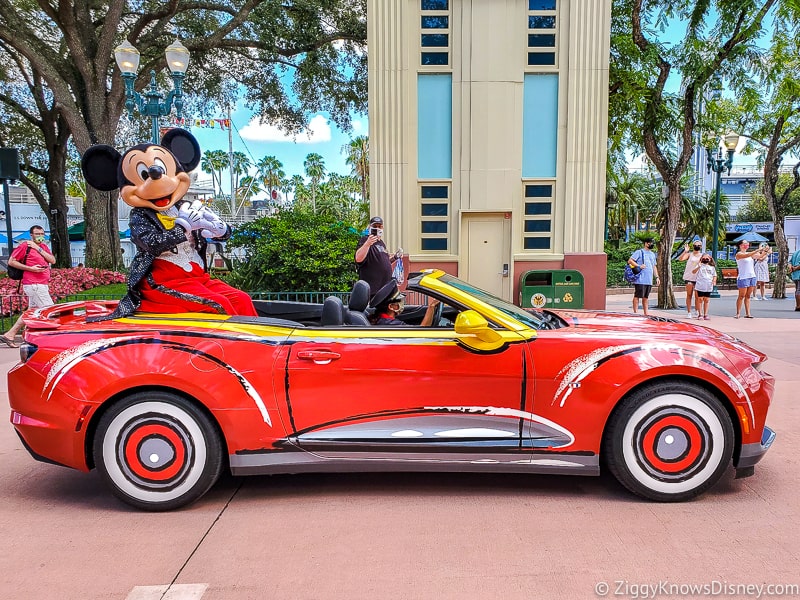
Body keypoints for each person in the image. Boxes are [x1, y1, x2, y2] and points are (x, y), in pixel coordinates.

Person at [2, 225, 56, 347]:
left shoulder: (42, 247)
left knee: (31, 312)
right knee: (51, 312)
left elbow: (52, 260)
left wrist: (38, 248)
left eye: (42, 234)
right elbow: (11, 261)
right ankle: (52, 340)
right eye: (37, 234)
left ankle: (10, 334)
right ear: (31, 235)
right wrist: (30, 268)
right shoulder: (25, 246)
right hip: (34, 284)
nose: (40, 236)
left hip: (41, 284)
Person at [354, 216, 402, 297]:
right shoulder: (365, 240)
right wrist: (368, 243)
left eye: (380, 226)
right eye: (375, 226)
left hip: (384, 290)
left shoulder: (382, 243)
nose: (377, 228)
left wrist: (395, 257)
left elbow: (384, 261)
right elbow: (358, 258)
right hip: (372, 291)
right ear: (370, 227)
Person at [369, 280, 440, 326]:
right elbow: (421, 332)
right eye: (400, 300)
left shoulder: (382, 319)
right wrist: (431, 307)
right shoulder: (391, 324)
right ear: (391, 307)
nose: (403, 302)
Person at [734, 240, 769, 319]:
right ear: (740, 245)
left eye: (747, 243)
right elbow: (748, 255)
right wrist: (757, 250)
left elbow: (760, 257)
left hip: (752, 276)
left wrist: (766, 251)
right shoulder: (739, 254)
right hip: (743, 277)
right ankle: (738, 313)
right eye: (745, 243)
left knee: (748, 296)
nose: (747, 245)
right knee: (741, 295)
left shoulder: (750, 254)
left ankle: (748, 313)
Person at [627, 237, 659, 316]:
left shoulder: (652, 254)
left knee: (646, 297)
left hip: (649, 279)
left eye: (652, 243)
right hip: (640, 278)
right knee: (637, 295)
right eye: (650, 243)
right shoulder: (639, 252)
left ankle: (646, 313)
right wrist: (639, 266)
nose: (651, 244)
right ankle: (635, 312)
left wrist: (657, 277)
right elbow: (630, 260)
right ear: (645, 243)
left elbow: (654, 266)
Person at [678, 240, 703, 317]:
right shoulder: (689, 255)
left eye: (699, 245)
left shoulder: (702, 255)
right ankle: (689, 312)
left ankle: (697, 310)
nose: (697, 246)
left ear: (701, 247)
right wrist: (685, 251)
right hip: (689, 277)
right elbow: (681, 259)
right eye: (695, 245)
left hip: (698, 278)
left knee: (697, 296)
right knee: (689, 295)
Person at [692, 254, 717, 320]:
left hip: (708, 285)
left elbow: (714, 275)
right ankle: (700, 314)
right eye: (703, 258)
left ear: (710, 259)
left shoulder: (712, 267)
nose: (705, 260)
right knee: (700, 299)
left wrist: (714, 281)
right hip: (700, 285)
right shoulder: (699, 266)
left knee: (706, 300)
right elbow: (693, 272)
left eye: (707, 258)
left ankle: (705, 314)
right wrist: (698, 266)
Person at [789, 247, 800, 312]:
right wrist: (795, 268)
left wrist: (791, 268)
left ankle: (798, 305)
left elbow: (790, 262)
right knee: (799, 290)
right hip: (798, 273)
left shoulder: (796, 252)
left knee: (797, 289)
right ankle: (798, 305)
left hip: (795, 275)